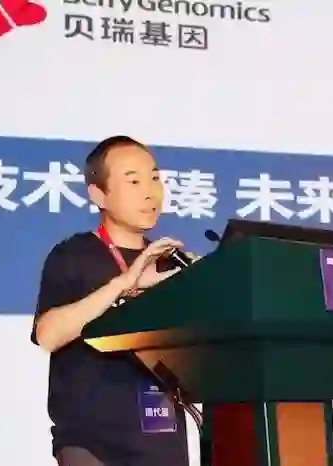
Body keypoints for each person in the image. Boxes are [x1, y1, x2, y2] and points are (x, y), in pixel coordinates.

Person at [31, 135, 194, 466]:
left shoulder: (171, 263)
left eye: (154, 178)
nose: (150, 192)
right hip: (93, 445)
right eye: (133, 181)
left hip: (163, 440)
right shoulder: (73, 255)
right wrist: (124, 284)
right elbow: (48, 335)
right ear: (98, 194)